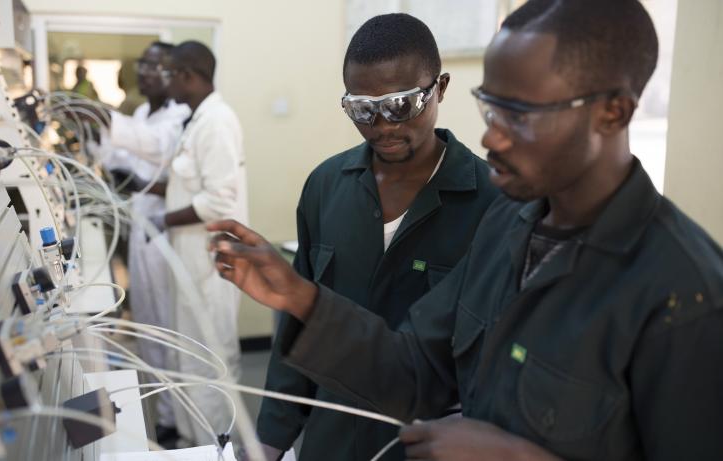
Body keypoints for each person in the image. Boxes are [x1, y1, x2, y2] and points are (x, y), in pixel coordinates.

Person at [208, 1, 723, 460]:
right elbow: (417, 366)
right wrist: (303, 300)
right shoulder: (511, 224)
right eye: (491, 107)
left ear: (613, 112)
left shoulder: (684, 294)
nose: (490, 136)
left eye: (519, 115)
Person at [255, 14, 498, 461]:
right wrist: (269, 442)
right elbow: (297, 328)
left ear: (440, 88)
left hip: (428, 443)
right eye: (363, 110)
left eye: (401, 105)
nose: (384, 125)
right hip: (330, 438)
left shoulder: (493, 203)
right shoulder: (326, 187)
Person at [148, 40, 248, 447]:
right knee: (190, 356)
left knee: (212, 361)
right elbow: (187, 184)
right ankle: (196, 447)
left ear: (188, 76)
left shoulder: (217, 122)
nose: (164, 80)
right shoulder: (196, 120)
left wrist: (163, 219)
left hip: (210, 265)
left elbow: (218, 200)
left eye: (169, 73)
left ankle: (218, 448)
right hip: (191, 261)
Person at [96, 41, 191, 447]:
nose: (146, 72)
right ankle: (163, 412)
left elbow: (153, 146)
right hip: (139, 223)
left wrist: (102, 117)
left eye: (156, 66)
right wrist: (96, 140)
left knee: (168, 328)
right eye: (144, 64)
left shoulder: (180, 115)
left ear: (174, 73)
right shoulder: (140, 111)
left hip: (164, 228)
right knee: (148, 323)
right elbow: (124, 156)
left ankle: (178, 419)